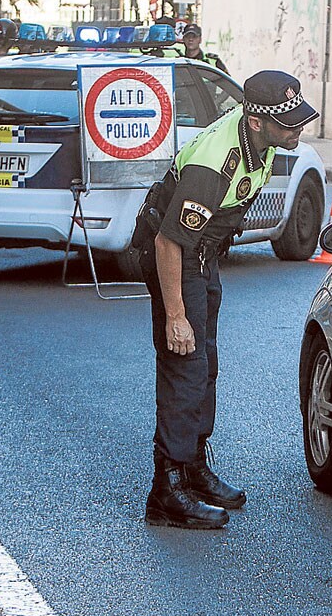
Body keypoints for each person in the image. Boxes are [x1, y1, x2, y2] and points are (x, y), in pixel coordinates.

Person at [135, 70, 319, 529]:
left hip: (201, 253)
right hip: (174, 254)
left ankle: (194, 467)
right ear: (256, 121)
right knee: (185, 362)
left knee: (206, 363)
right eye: (288, 122)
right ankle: (167, 490)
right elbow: (166, 242)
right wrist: (175, 315)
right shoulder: (216, 159)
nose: (297, 129)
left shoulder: (263, 141)